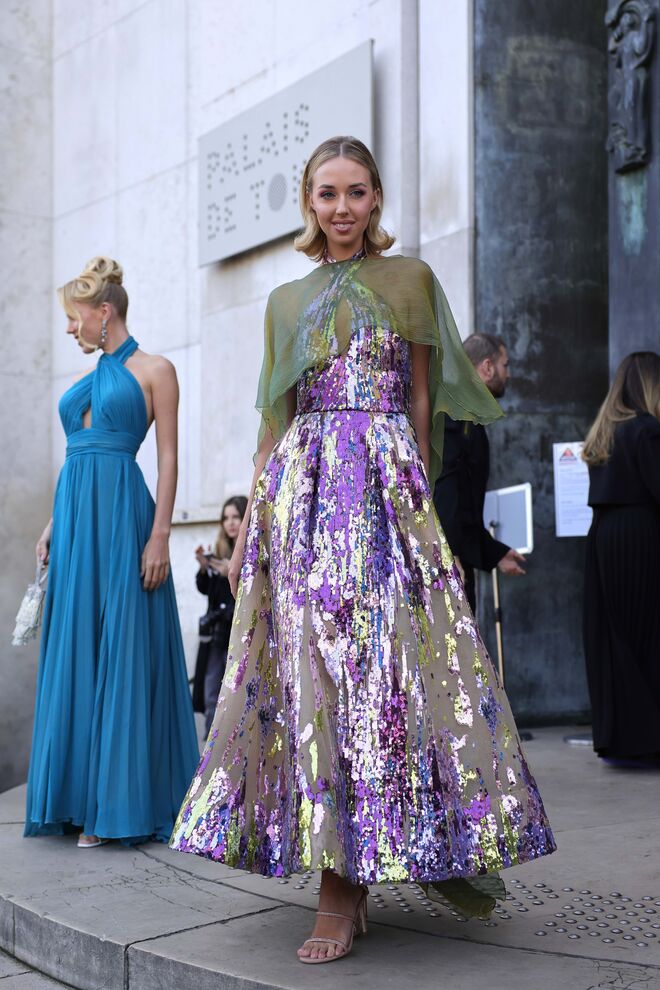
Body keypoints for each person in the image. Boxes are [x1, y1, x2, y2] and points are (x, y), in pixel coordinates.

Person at [170, 137, 555, 963]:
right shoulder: (282, 300)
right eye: (325, 194)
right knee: (314, 677)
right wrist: (246, 543)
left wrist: (425, 526)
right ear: (308, 203)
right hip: (303, 503)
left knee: (380, 677)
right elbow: (274, 424)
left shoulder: (410, 280)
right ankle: (339, 881)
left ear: (376, 198)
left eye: (355, 192)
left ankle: (350, 884)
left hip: (383, 499)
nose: (340, 208)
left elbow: (421, 406)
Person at [26, 256, 199, 847]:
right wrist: (53, 524)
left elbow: (168, 459)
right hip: (76, 520)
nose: (72, 330)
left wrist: (160, 534)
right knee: (78, 646)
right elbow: (81, 453)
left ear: (105, 313)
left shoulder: (156, 370)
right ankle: (77, 797)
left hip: (126, 520)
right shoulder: (88, 379)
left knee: (119, 645)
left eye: (76, 319)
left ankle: (114, 804)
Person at [582, 351, 660, 765]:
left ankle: (626, 738)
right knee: (649, 634)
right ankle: (650, 737)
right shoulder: (647, 431)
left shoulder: (604, 434)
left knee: (615, 637)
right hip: (641, 536)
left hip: (604, 537)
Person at [433, 333, 526, 612]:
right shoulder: (454, 412)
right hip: (447, 568)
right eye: (505, 365)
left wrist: (494, 553)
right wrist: (450, 555)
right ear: (487, 366)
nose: (508, 374)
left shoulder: (467, 414)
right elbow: (445, 490)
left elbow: (465, 507)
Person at [192, 496, 248, 734]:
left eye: (236, 516)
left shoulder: (251, 549)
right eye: (226, 518)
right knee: (211, 687)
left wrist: (233, 572)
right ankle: (210, 739)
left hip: (241, 632)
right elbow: (206, 590)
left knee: (237, 688)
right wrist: (205, 569)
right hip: (217, 634)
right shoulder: (219, 551)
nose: (230, 523)